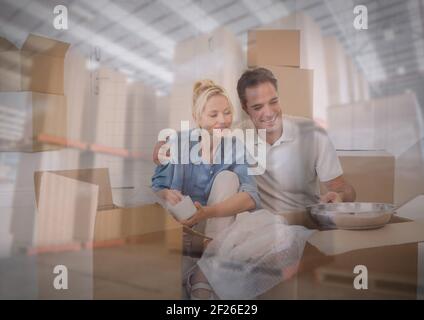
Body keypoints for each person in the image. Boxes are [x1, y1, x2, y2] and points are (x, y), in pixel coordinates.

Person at [151, 79, 261, 299]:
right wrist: (167, 193)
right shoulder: (178, 141)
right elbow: (157, 187)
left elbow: (251, 197)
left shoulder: (236, 147)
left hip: (215, 229)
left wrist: (207, 212)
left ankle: (203, 272)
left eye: (227, 112)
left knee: (228, 178)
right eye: (214, 115)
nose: (223, 120)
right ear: (198, 118)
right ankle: (198, 266)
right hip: (182, 225)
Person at [235, 67, 356, 213]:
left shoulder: (312, 133)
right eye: (258, 107)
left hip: (305, 223)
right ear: (245, 108)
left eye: (273, 102)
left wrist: (339, 197)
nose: (268, 113)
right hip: (261, 228)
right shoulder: (237, 137)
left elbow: (345, 190)